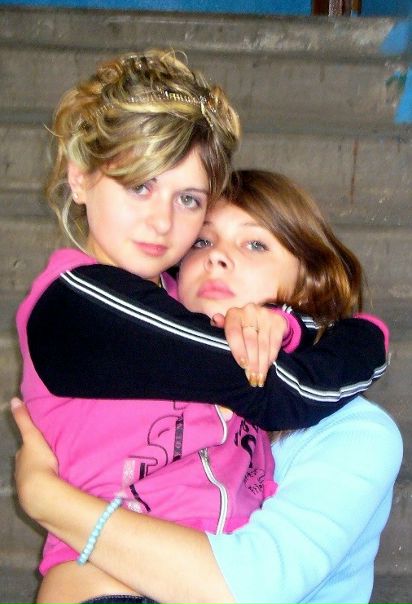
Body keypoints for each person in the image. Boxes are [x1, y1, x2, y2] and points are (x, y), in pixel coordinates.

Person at [13, 168, 401, 604]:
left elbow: (253, 587)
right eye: (202, 242)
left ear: (309, 281)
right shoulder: (140, 355)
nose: (217, 257)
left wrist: (49, 500)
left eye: (255, 244)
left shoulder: (359, 433)